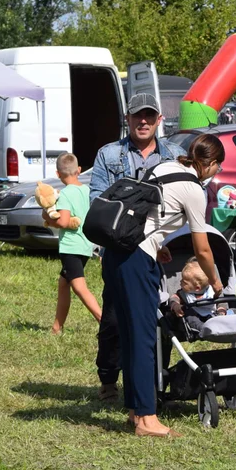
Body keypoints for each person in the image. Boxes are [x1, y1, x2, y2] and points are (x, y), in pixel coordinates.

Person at [104, 133, 226, 438]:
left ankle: (135, 412)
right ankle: (147, 419)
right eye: (217, 166)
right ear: (210, 164)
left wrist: (157, 245)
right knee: (146, 339)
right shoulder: (194, 190)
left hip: (116, 254)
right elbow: (203, 249)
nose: (216, 172)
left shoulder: (165, 166)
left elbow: (146, 214)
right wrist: (216, 281)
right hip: (136, 260)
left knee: (132, 336)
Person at [89, 93, 186, 403]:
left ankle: (156, 379)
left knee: (164, 313)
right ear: (127, 120)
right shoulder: (109, 155)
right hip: (121, 249)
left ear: (159, 119)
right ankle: (108, 377)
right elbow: (98, 204)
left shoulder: (175, 154)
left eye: (149, 116)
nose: (142, 121)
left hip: (164, 249)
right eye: (136, 116)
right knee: (116, 318)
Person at [44, 153, 101, 335]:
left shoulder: (65, 194)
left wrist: (46, 216)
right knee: (64, 283)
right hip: (85, 244)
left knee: (78, 286)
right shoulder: (86, 190)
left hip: (71, 246)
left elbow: (63, 221)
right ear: (79, 170)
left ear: (58, 174)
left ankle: (104, 321)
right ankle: (57, 327)